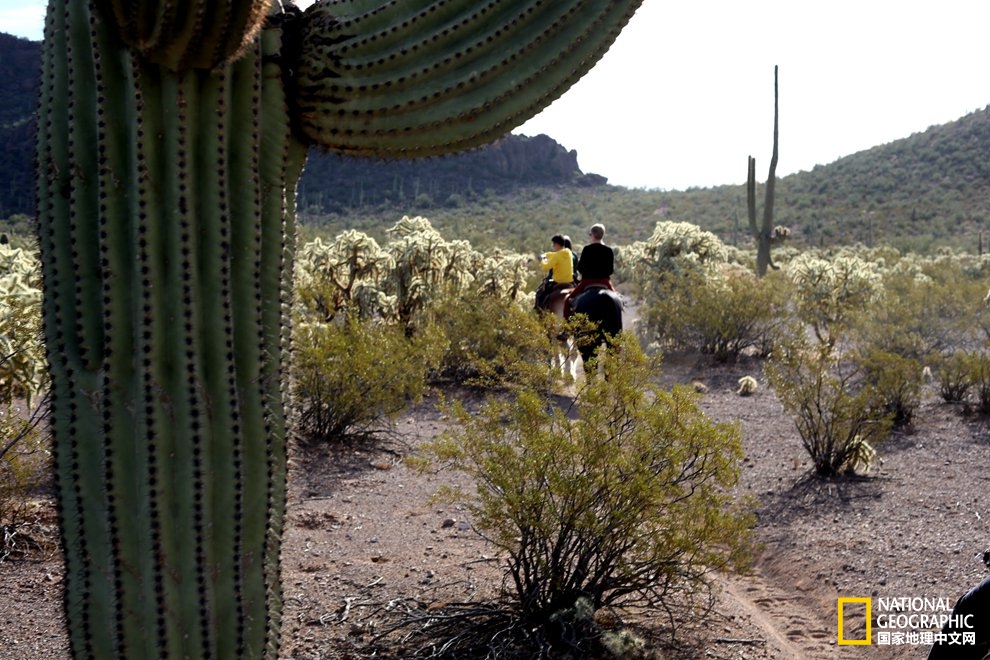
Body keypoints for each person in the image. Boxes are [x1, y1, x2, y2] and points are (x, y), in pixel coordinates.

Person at [564, 223, 614, 317]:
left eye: (590, 234)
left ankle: (566, 329)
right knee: (619, 302)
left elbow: (580, 268)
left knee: (567, 301)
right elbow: (610, 271)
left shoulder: (587, 249)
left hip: (587, 282)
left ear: (594, 235)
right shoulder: (609, 250)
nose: (590, 236)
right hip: (605, 282)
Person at [535, 234, 574, 309]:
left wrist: (542, 260)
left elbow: (546, 267)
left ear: (556, 244)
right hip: (570, 282)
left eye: (553, 244)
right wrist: (546, 254)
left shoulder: (557, 256)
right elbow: (553, 254)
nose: (553, 246)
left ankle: (539, 310)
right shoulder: (568, 252)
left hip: (558, 282)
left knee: (540, 294)